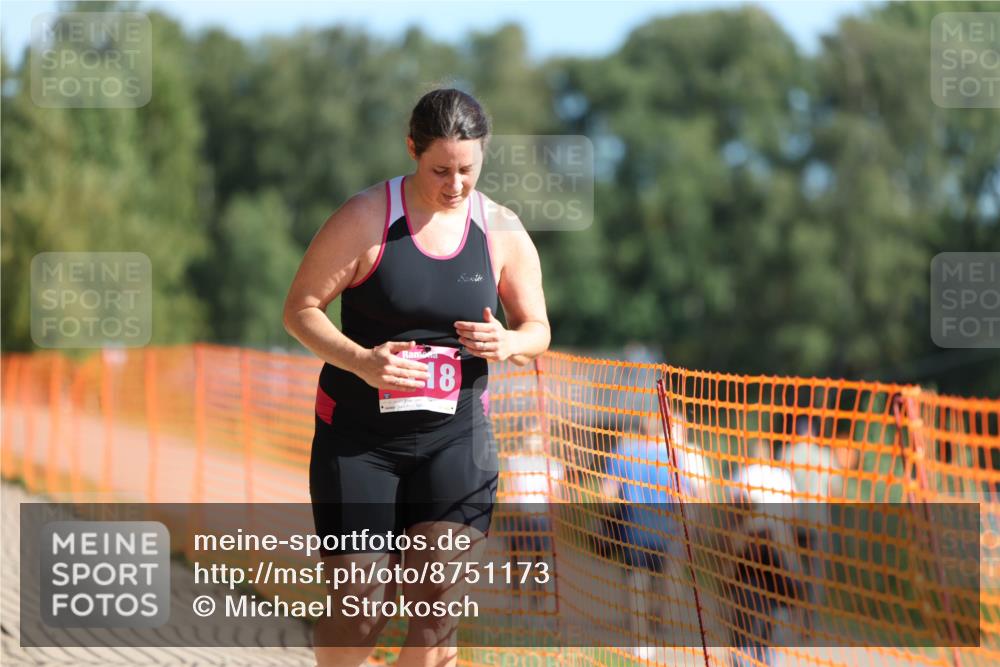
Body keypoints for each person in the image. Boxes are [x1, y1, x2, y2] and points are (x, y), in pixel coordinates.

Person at [282, 88, 550, 667]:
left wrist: (508, 342)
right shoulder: (365, 218)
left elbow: (537, 329)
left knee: (437, 609)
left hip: (455, 440)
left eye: (467, 169)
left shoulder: (500, 228)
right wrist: (361, 361)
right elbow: (300, 309)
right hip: (359, 443)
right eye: (440, 169)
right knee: (360, 610)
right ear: (411, 148)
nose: (455, 184)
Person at [598, 413, 706, 656]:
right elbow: (686, 495)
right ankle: (664, 626)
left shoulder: (625, 452)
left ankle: (642, 640)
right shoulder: (671, 456)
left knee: (637, 584)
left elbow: (606, 494)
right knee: (667, 579)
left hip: (635, 530)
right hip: (665, 531)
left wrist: (612, 516)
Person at [724, 438, 807, 667]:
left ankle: (742, 658)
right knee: (779, 608)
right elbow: (793, 515)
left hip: (749, 550)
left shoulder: (743, 475)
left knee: (743, 615)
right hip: (779, 548)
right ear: (770, 453)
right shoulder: (782, 477)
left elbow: (733, 511)